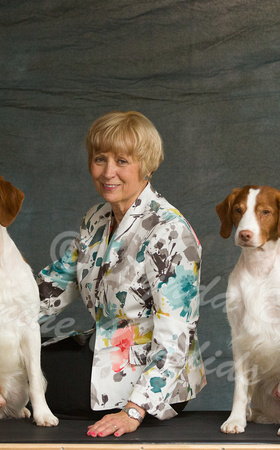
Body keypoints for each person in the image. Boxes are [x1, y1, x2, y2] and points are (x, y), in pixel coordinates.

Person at [37, 111, 206, 437]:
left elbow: (177, 337)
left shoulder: (168, 230)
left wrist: (133, 410)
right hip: (101, 349)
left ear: (147, 166)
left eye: (122, 161)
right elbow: (53, 287)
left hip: (146, 380)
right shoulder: (96, 218)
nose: (108, 172)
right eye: (100, 159)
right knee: (8, 353)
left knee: (17, 376)